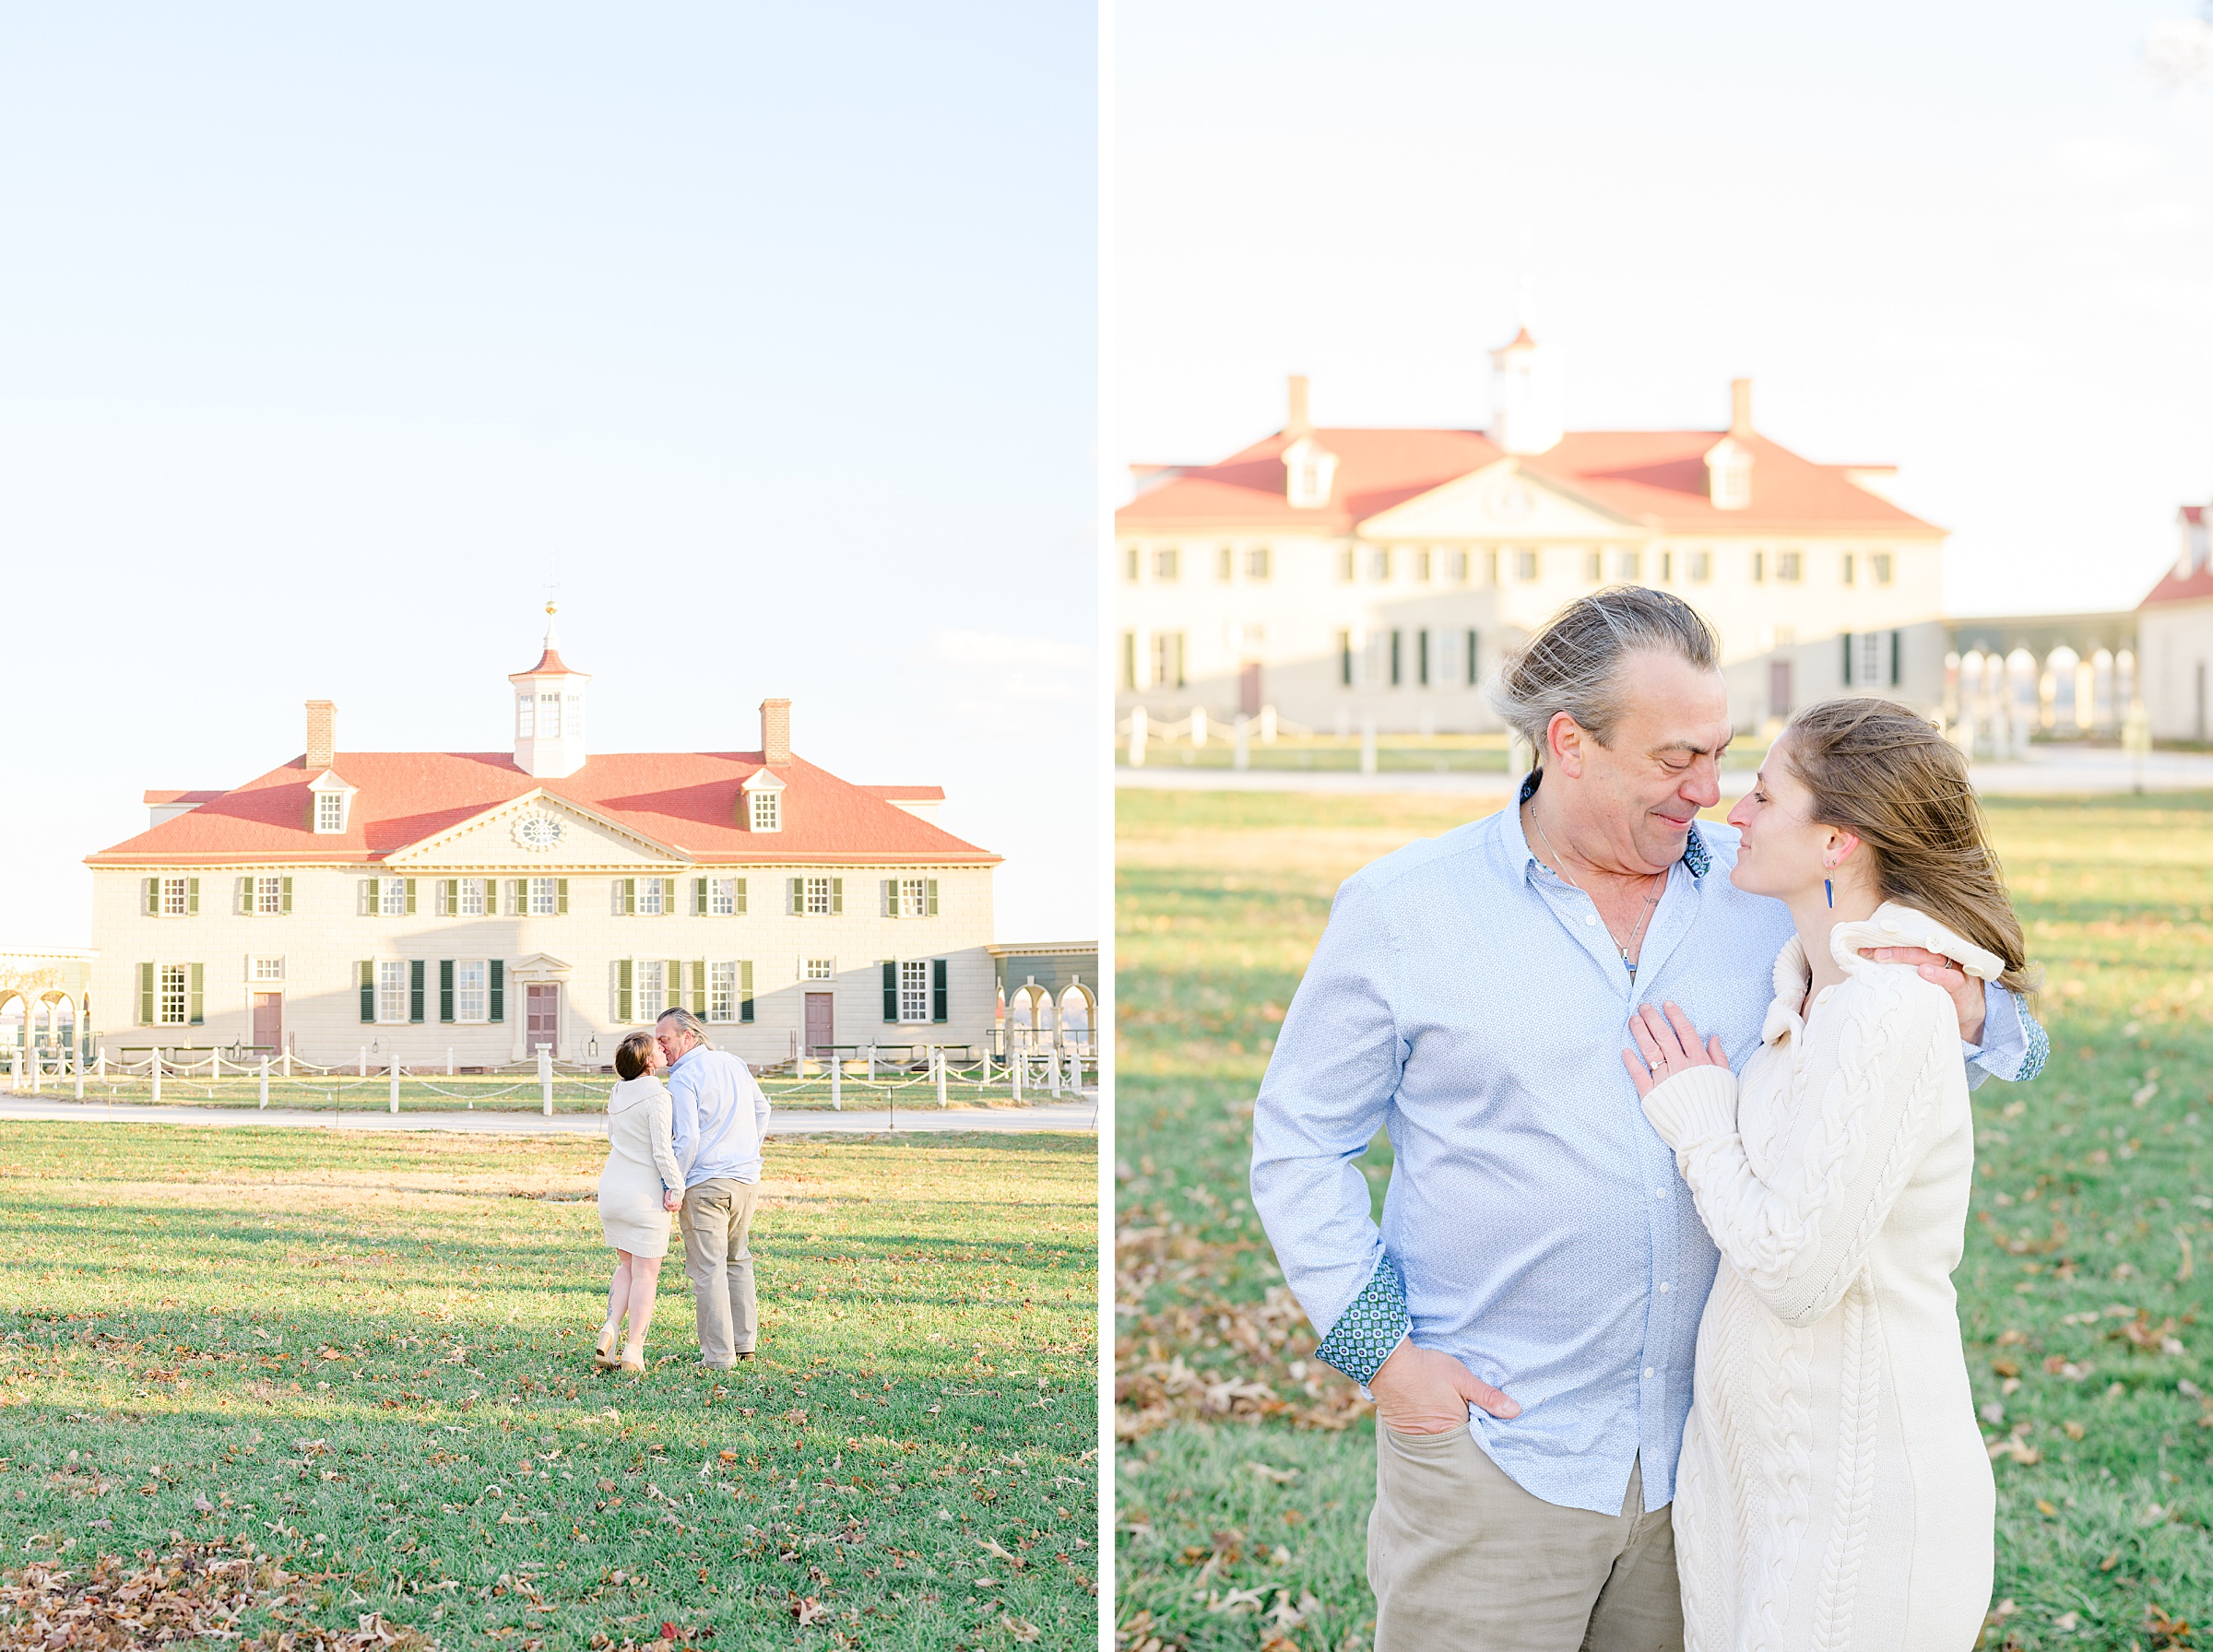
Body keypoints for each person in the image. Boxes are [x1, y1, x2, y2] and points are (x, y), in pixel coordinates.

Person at [1248, 587, 2046, 1652]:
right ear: (1569, 742)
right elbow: (1299, 1141)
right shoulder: (1404, 909)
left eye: (1721, 756)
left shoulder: (1769, 891)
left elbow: (1933, 1067)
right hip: (1499, 1452)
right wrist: (1388, 1362)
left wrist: (1977, 1003)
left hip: (1713, 1474)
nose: (1710, 792)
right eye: (1676, 759)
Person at [1624, 699, 2017, 1648]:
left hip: (1859, 1503)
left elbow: (1798, 1273)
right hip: (1761, 1494)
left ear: (1837, 839)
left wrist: (1702, 1124)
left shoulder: (1890, 1007)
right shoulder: (1813, 987)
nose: (1734, 815)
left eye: (1763, 795)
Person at [656, 1006, 772, 1368]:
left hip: (706, 1183)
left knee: (708, 1269)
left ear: (688, 1037)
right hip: (745, 1180)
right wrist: (747, 1150)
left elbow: (686, 1138)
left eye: (665, 1040)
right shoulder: (732, 1062)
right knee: (738, 1260)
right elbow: (762, 1109)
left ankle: (718, 1357)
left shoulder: (682, 1078)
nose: (661, 1048)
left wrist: (673, 1184)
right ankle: (744, 1344)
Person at [594, 1030, 683, 1376]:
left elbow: (614, 1138)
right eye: (657, 1050)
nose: (663, 1051)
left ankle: (610, 1329)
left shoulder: (618, 1091)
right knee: (647, 1272)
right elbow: (662, 1150)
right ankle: (634, 1350)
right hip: (642, 1194)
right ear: (649, 1063)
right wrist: (676, 1188)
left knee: (627, 1266)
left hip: (613, 1187)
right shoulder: (658, 1096)